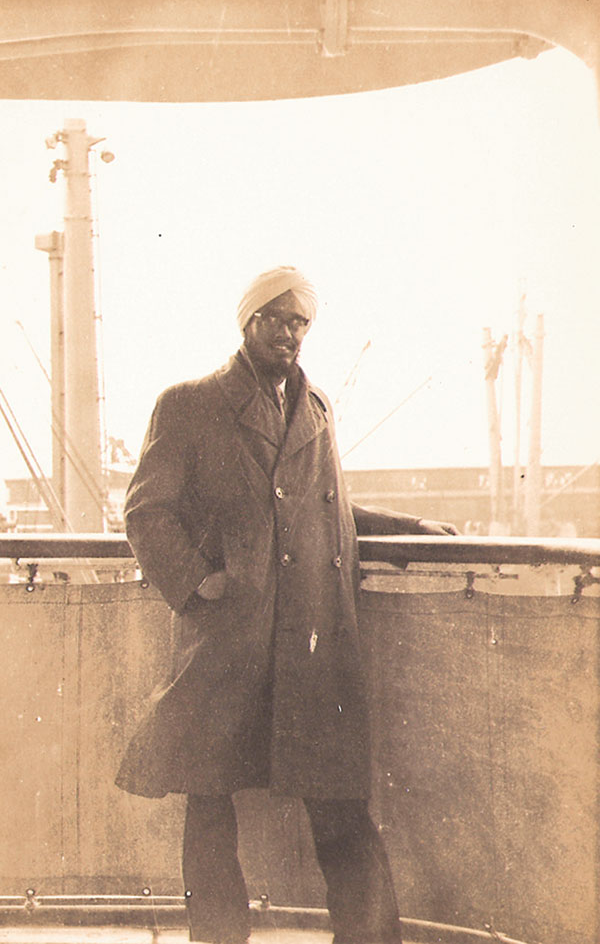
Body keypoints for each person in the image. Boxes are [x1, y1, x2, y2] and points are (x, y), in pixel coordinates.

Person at [115, 266, 458, 944]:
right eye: (275, 319)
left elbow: (328, 511)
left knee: (337, 800)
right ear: (247, 322)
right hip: (231, 638)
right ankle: (217, 939)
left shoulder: (318, 407)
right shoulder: (188, 402)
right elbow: (146, 511)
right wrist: (196, 583)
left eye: (299, 322)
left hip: (310, 637)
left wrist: (408, 528)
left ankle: (369, 939)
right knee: (209, 800)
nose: (288, 333)